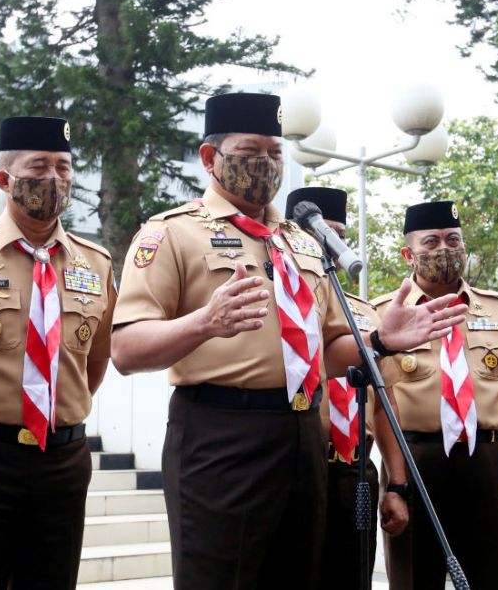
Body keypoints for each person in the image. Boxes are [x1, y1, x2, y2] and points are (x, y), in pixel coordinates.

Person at [110, 92, 465, 589]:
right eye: (250, 150)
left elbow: (329, 352)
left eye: (275, 153)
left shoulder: (301, 241)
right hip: (220, 433)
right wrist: (204, 322)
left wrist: (380, 339)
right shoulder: (172, 234)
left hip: (301, 434)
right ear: (210, 158)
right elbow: (126, 350)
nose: (266, 163)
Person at [0, 116, 115, 589]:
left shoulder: (95, 263)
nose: (54, 178)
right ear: (3, 179)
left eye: (64, 167)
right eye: (39, 166)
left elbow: (93, 363)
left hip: (62, 459)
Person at [373, 200, 498, 590]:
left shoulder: (497, 310)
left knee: (490, 578)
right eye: (430, 242)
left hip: (484, 460)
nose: (444, 250)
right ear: (407, 254)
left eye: (453, 240)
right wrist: (396, 485)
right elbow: (380, 405)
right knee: (415, 578)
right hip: (416, 461)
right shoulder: (386, 315)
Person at [284, 186, 407, 589]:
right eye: (317, 234)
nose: (327, 244)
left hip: (355, 472)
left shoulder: (366, 314)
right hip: (300, 467)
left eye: (335, 234)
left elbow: (385, 405)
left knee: (353, 578)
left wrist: (397, 485)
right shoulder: (283, 304)